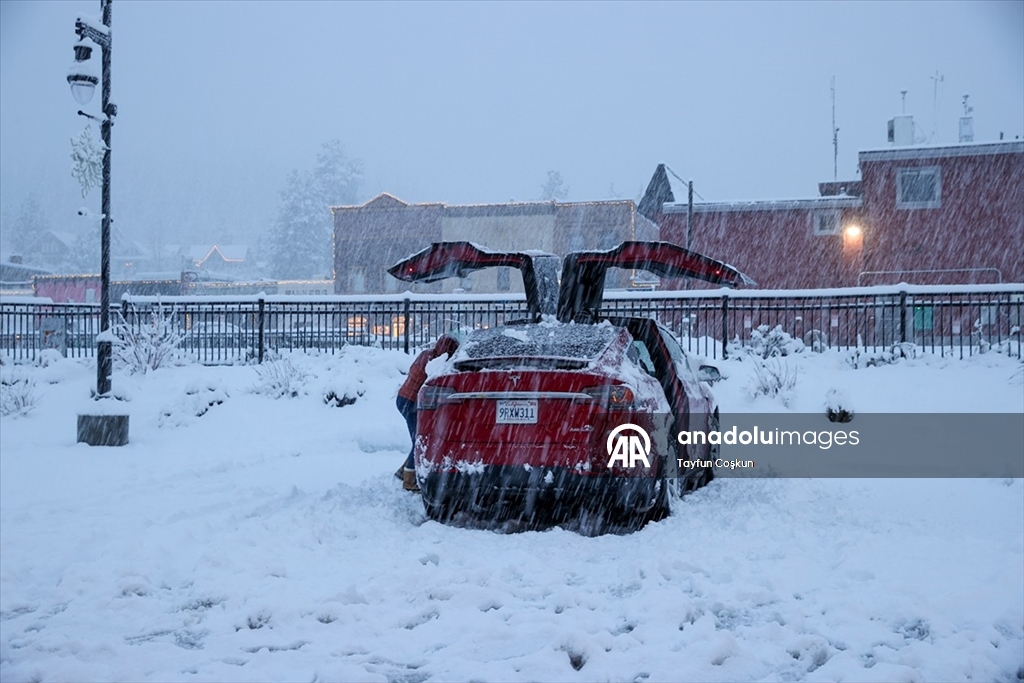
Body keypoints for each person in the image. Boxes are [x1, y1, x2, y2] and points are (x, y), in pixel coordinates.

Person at [395, 334, 459, 492]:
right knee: (418, 440)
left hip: (403, 398)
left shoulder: (427, 354)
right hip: (410, 402)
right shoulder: (434, 363)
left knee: (416, 439)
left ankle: (403, 471)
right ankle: (409, 481)